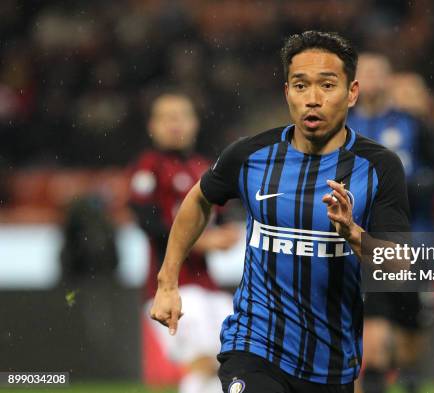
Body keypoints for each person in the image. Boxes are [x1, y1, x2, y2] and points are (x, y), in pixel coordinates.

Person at [149, 31, 411, 393]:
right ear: (287, 91)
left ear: (352, 92)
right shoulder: (251, 155)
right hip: (255, 346)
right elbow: (199, 199)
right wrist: (167, 282)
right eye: (301, 86)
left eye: (327, 85)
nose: (313, 99)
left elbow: (400, 264)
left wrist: (354, 234)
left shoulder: (379, 167)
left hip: (331, 363)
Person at [347, 53, 434, 393]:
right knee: (375, 326)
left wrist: (418, 186)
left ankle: (406, 375)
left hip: (414, 239)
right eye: (364, 73)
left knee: (407, 332)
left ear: (390, 80)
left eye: (377, 73)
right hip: (360, 240)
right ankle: (374, 378)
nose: (370, 80)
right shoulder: (338, 125)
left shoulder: (416, 127)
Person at [129, 91, 240, 393]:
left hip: (209, 286)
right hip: (169, 286)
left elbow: (224, 217)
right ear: (153, 125)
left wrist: (229, 234)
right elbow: (147, 223)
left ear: (195, 123)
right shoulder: (148, 166)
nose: (174, 124)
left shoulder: (205, 169)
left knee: (234, 359)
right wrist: (201, 241)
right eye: (167, 117)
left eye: (181, 116)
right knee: (203, 360)